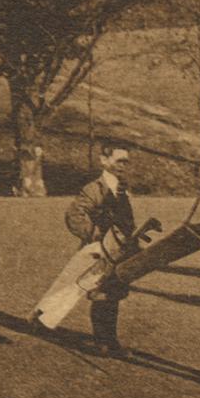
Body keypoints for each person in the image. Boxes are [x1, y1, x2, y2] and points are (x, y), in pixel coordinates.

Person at [63, 141, 139, 356]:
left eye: (126, 161)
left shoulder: (122, 188)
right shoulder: (94, 188)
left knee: (113, 294)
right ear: (104, 161)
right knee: (101, 294)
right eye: (118, 160)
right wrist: (96, 235)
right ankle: (103, 343)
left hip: (120, 251)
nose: (122, 166)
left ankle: (110, 341)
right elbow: (74, 216)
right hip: (101, 251)